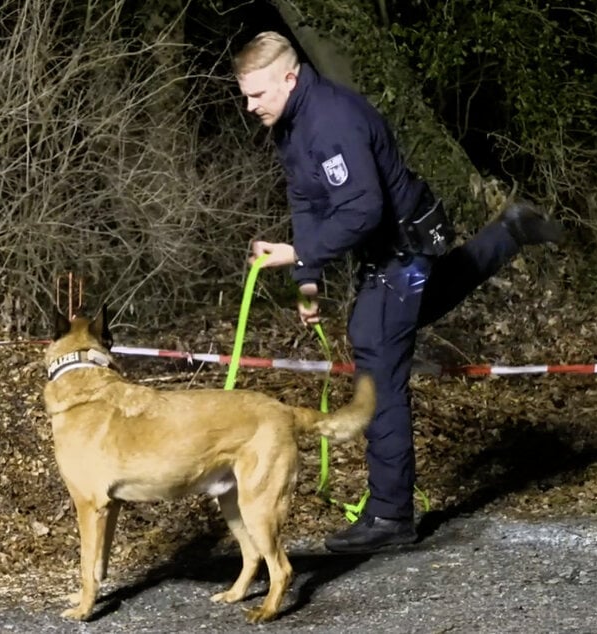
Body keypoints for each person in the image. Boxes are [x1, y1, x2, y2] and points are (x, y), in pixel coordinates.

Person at [234, 31, 562, 554]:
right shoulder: (291, 125)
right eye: (245, 95)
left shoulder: (331, 121)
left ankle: (391, 515)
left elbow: (363, 210)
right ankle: (510, 232)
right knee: (398, 320)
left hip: (407, 246)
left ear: (289, 79)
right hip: (389, 247)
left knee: (377, 347)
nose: (250, 106)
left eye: (257, 94)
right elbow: (307, 200)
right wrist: (308, 276)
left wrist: (296, 252)